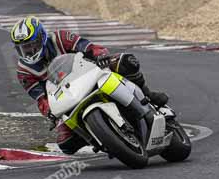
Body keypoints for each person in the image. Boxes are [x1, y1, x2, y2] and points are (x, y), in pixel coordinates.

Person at [9, 16, 168, 154]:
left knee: (126, 62)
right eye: (23, 48)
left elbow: (88, 47)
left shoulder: (60, 38)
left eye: (31, 44)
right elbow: (40, 98)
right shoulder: (24, 71)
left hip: (87, 72)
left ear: (42, 37)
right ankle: (99, 136)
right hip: (66, 96)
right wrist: (49, 111)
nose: (29, 50)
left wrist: (100, 55)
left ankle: (147, 94)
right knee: (66, 144)